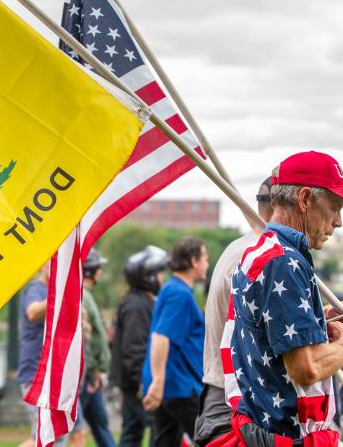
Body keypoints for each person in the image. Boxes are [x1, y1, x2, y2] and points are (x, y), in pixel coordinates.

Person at [227, 150, 343, 446]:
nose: (339, 222)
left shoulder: (262, 251)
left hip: (261, 426)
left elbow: (267, 331)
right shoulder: (284, 263)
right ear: (305, 199)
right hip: (286, 436)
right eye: (335, 207)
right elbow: (306, 369)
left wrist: (320, 319)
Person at [194, 177, 274, 446]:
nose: (336, 221)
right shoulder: (257, 257)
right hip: (237, 405)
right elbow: (276, 346)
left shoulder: (242, 249)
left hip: (232, 400)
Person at [142, 237, 208, 447]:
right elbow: (161, 337)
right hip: (178, 386)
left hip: (172, 385)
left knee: (165, 442)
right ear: (194, 261)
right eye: (205, 258)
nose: (207, 263)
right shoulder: (178, 294)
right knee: (214, 439)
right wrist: (159, 381)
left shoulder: (174, 289)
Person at [17, 264, 86, 447]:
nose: (57, 268)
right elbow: (32, 312)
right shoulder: (35, 289)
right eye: (53, 263)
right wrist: (61, 294)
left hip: (56, 377)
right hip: (37, 376)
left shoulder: (54, 292)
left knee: (73, 431)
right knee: (45, 436)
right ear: (42, 266)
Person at [110, 245, 169, 447]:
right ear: (148, 277)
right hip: (138, 383)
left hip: (132, 382)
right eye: (159, 273)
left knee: (132, 433)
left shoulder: (140, 301)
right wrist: (144, 382)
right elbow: (134, 348)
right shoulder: (137, 306)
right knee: (157, 428)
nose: (162, 277)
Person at [79, 249, 116, 447]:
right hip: (87, 377)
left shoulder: (86, 295)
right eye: (97, 267)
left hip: (92, 375)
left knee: (101, 426)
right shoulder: (82, 296)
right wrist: (91, 370)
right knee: (71, 430)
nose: (100, 271)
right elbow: (85, 339)